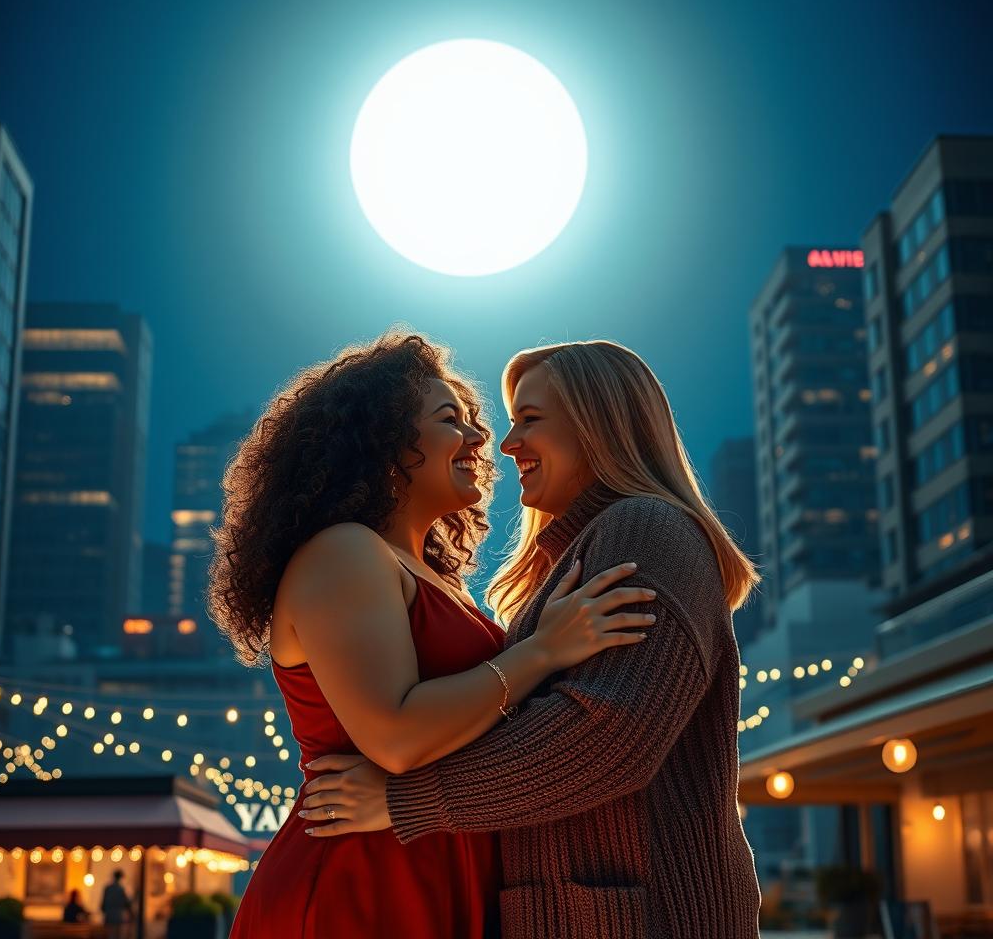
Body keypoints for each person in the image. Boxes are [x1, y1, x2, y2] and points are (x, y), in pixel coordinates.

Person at [301, 340, 764, 939]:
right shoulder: (577, 557)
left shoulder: (647, 529)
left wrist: (403, 800)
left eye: (531, 420)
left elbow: (606, 737)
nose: (508, 443)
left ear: (600, 424)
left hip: (645, 918)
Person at [210, 331, 655, 939]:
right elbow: (394, 736)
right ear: (382, 441)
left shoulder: (435, 580)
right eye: (453, 420)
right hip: (360, 882)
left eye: (473, 419)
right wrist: (544, 650)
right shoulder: (344, 552)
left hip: (436, 862)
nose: (482, 439)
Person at [100, 870, 132, 938]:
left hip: (109, 917)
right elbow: (127, 903)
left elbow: (103, 905)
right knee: (117, 936)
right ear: (120, 878)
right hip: (118, 917)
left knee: (110, 936)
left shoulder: (108, 888)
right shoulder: (120, 889)